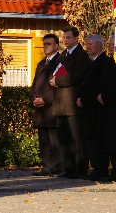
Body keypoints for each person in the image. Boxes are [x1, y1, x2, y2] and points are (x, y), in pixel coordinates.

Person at [77, 34, 116, 182]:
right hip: (102, 105)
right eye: (110, 45)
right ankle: (112, 171)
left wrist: (104, 96)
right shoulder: (108, 62)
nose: (111, 47)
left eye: (114, 45)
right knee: (107, 140)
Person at [49, 26, 91, 178]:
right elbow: (55, 72)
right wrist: (53, 79)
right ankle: (68, 168)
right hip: (61, 103)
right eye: (64, 38)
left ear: (76, 38)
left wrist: (57, 81)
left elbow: (77, 76)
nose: (65, 40)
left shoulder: (81, 55)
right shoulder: (63, 55)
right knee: (64, 138)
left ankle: (80, 168)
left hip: (72, 103)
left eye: (68, 38)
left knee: (76, 138)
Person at [30, 34, 61, 176]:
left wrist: (46, 100)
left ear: (56, 46)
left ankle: (57, 167)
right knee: (43, 140)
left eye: (49, 44)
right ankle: (46, 166)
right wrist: (34, 98)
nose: (46, 46)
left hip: (52, 108)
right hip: (40, 110)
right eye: (44, 44)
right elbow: (35, 84)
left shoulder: (61, 62)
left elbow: (58, 86)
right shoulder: (41, 64)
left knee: (55, 140)